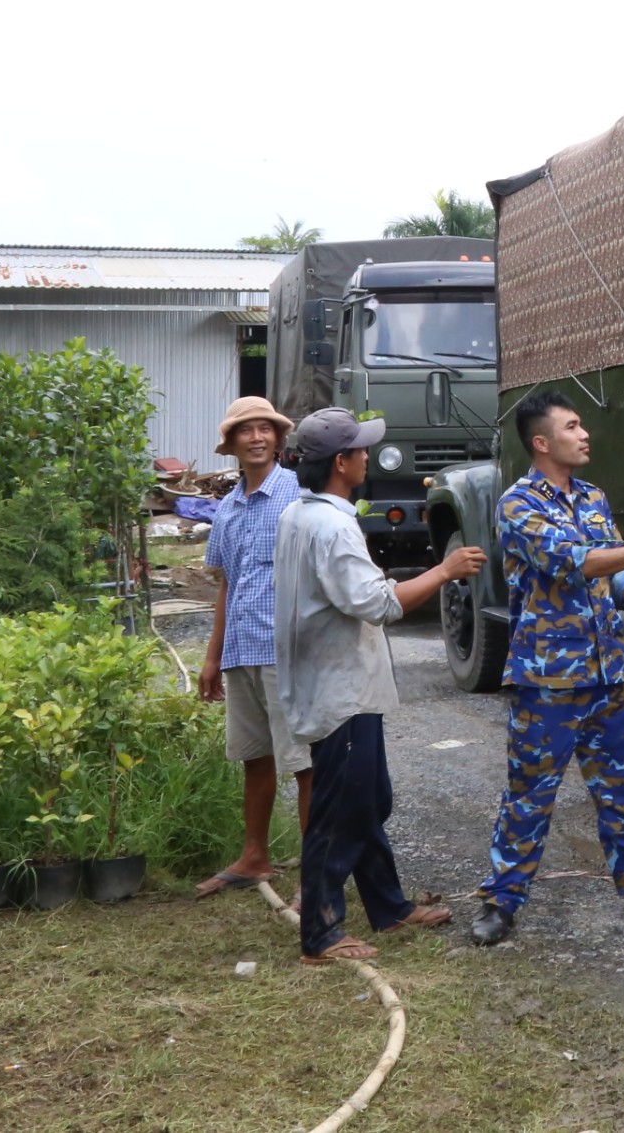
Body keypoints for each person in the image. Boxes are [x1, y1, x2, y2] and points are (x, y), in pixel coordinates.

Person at [471, 392, 624, 945]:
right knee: (530, 795)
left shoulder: (593, 497)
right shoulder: (518, 504)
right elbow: (576, 562)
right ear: (541, 442)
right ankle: (501, 902)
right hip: (549, 679)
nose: (584, 434)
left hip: (608, 673)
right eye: (572, 426)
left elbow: (613, 574)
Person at [273, 406, 487, 965]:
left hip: (333, 682)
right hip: (340, 689)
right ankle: (319, 933)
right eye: (362, 449)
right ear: (341, 463)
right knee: (340, 812)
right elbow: (378, 603)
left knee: (367, 802)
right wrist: (444, 570)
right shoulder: (332, 524)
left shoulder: (301, 514)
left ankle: (388, 906)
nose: (369, 455)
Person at [194, 396, 312, 903]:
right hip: (242, 649)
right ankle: (254, 855)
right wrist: (212, 656)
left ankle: (317, 866)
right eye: (248, 431)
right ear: (233, 444)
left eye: (267, 429)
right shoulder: (228, 508)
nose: (258, 437)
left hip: (285, 649)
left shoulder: (297, 499)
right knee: (255, 757)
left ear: (279, 440)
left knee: (304, 761)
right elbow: (227, 583)